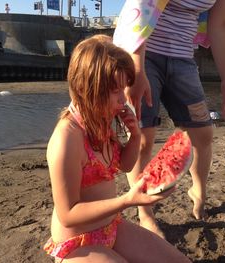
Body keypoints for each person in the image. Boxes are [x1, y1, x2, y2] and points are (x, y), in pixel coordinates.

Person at [43, 35, 191, 262]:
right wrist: (127, 201)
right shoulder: (66, 139)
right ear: (88, 88)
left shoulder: (100, 119)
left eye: (124, 88)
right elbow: (68, 214)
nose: (124, 99)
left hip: (111, 227)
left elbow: (125, 165)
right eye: (115, 91)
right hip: (76, 243)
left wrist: (135, 136)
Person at [115, 0, 225, 237]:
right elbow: (143, 7)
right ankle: (146, 213)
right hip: (141, 52)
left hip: (183, 59)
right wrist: (137, 70)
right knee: (142, 136)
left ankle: (198, 190)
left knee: (203, 132)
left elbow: (221, 24)